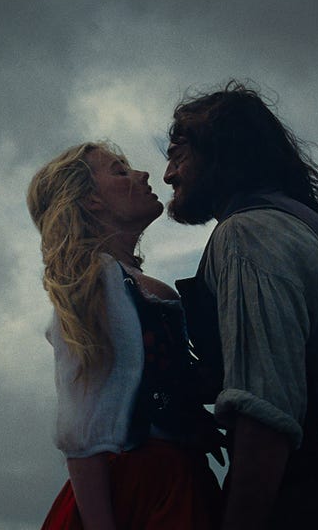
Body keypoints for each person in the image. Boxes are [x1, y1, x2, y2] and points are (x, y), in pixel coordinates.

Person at [163, 82, 318, 529]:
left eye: (178, 153)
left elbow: (265, 414)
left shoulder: (248, 234)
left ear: (221, 152)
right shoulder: (316, 229)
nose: (168, 175)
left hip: (300, 507)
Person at [27, 141, 223, 530]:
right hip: (138, 491)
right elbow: (82, 431)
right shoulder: (95, 283)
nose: (143, 175)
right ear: (91, 201)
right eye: (120, 171)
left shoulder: (137, 286)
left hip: (179, 480)